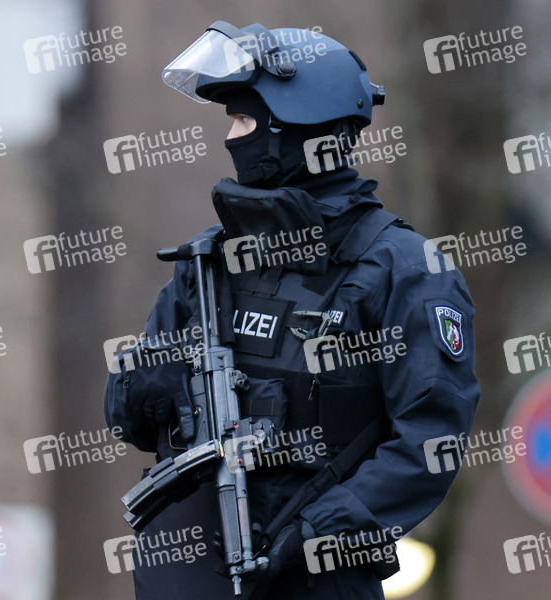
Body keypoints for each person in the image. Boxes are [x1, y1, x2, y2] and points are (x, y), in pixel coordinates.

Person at [104, 22, 479, 599]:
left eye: (243, 119)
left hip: (318, 576)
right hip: (195, 572)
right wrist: (146, 383)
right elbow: (126, 417)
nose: (231, 137)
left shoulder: (405, 268)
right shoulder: (210, 262)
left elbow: (431, 440)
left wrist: (317, 534)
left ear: (299, 126)